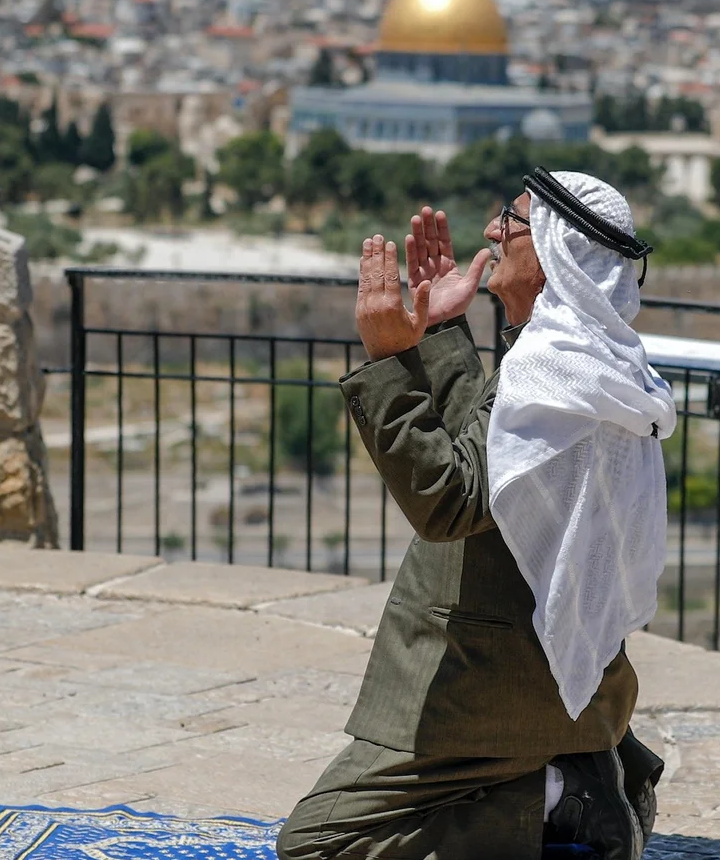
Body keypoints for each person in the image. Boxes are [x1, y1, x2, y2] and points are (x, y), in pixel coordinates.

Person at [277, 170, 677, 860]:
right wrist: (442, 329)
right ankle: (581, 768)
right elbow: (493, 459)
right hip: (566, 678)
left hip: (490, 684)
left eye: (510, 220)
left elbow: (449, 500)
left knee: (318, 843)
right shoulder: (582, 361)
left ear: (553, 251)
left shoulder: (555, 367)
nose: (491, 231)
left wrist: (390, 359)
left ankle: (556, 795)